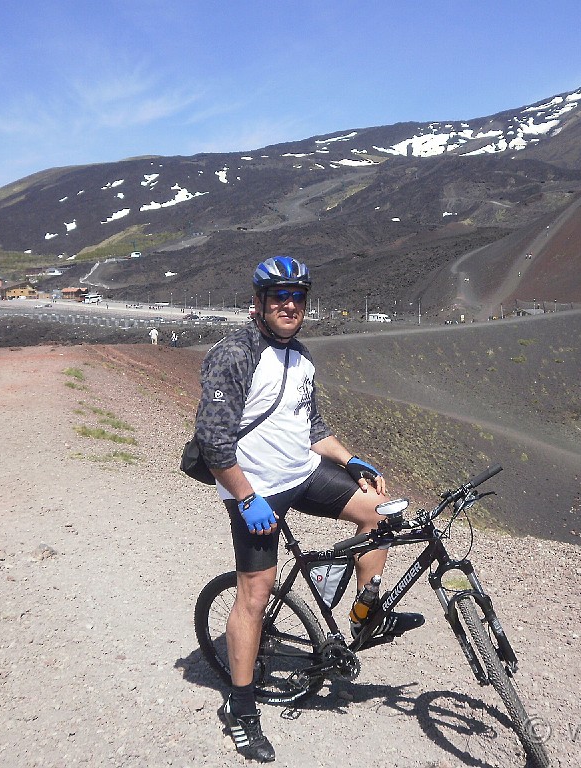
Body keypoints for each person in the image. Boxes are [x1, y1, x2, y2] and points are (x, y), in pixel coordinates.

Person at [194, 256, 423, 762]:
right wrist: (247, 498)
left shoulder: (301, 357)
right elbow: (212, 442)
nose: (289, 304)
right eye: (278, 296)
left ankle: (366, 616)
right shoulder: (234, 355)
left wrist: (350, 458)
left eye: (297, 296)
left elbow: (312, 426)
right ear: (257, 303)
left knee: (379, 514)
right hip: (254, 491)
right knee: (253, 596)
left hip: (302, 475)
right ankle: (241, 707)